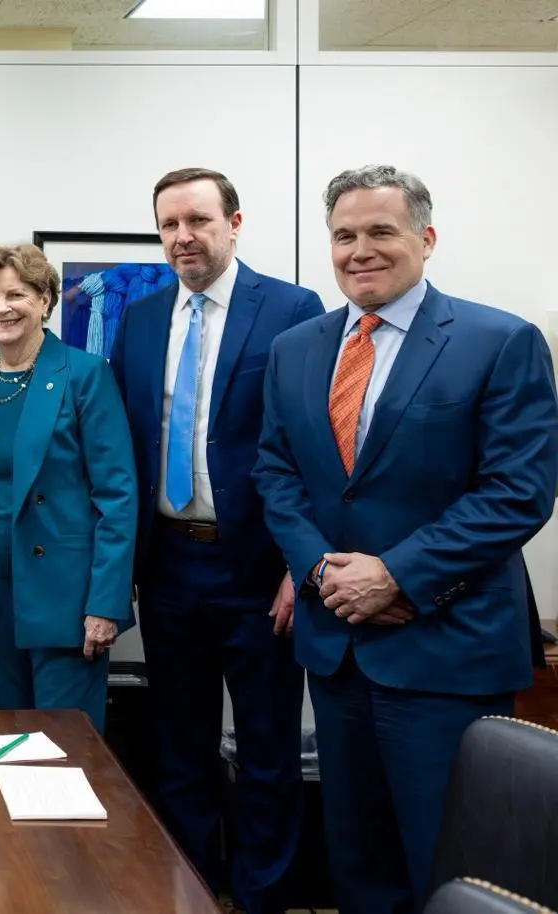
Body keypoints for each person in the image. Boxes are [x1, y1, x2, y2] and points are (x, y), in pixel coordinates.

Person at [253, 164, 558, 913]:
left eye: (380, 231)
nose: (360, 250)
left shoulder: (499, 341)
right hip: (337, 650)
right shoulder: (296, 348)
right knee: (360, 862)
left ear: (426, 238)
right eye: (343, 236)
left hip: (446, 649)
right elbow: (276, 472)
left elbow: (519, 491)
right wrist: (320, 570)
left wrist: (396, 574)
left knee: (451, 865)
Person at [107, 167, 324, 913]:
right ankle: (192, 893)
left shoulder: (293, 310)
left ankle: (263, 901)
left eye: (197, 220)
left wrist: (302, 563)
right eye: (169, 224)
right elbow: (125, 447)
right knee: (179, 750)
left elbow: (315, 448)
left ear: (234, 222)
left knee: (267, 752)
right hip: (168, 565)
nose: (182, 237)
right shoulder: (140, 319)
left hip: (259, 569)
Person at [0, 243, 138, 733]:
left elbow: (117, 497)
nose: (1, 308)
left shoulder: (84, 374)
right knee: (11, 739)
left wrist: (105, 603)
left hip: (66, 599)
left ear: (45, 300)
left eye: (16, 295)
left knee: (66, 745)